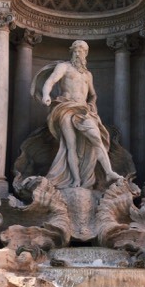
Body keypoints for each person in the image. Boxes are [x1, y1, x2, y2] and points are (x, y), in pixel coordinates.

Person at [31, 40, 122, 190]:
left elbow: (93, 95)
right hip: (65, 107)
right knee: (70, 145)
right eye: (76, 51)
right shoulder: (64, 67)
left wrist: (92, 105)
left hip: (83, 110)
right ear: (72, 52)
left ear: (86, 54)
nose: (78, 53)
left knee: (97, 138)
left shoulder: (87, 75)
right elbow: (51, 80)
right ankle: (76, 179)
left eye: (82, 51)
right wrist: (46, 95)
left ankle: (109, 172)